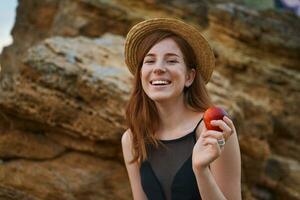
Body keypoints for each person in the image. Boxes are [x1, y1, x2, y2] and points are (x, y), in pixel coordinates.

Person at [121, 18, 241, 200]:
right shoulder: (132, 138)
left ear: (189, 77)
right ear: (141, 74)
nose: (158, 69)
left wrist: (201, 171)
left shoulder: (214, 130)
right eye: (150, 61)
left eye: (171, 61)